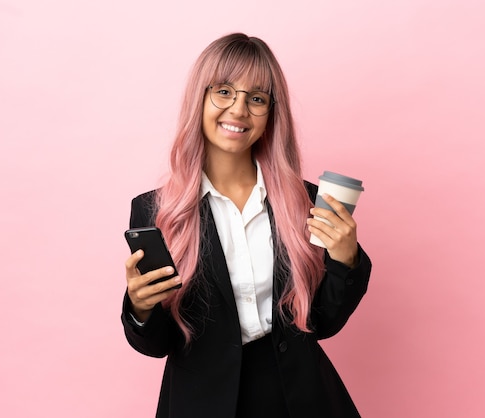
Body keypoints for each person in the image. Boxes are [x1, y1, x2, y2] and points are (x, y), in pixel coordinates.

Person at [121, 33, 372, 418]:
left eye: (256, 98)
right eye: (224, 91)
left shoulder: (304, 201)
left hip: (299, 397)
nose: (238, 110)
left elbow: (323, 322)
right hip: (202, 402)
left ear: (271, 112)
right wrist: (141, 309)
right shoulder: (156, 211)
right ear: (200, 99)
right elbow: (158, 345)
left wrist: (345, 259)